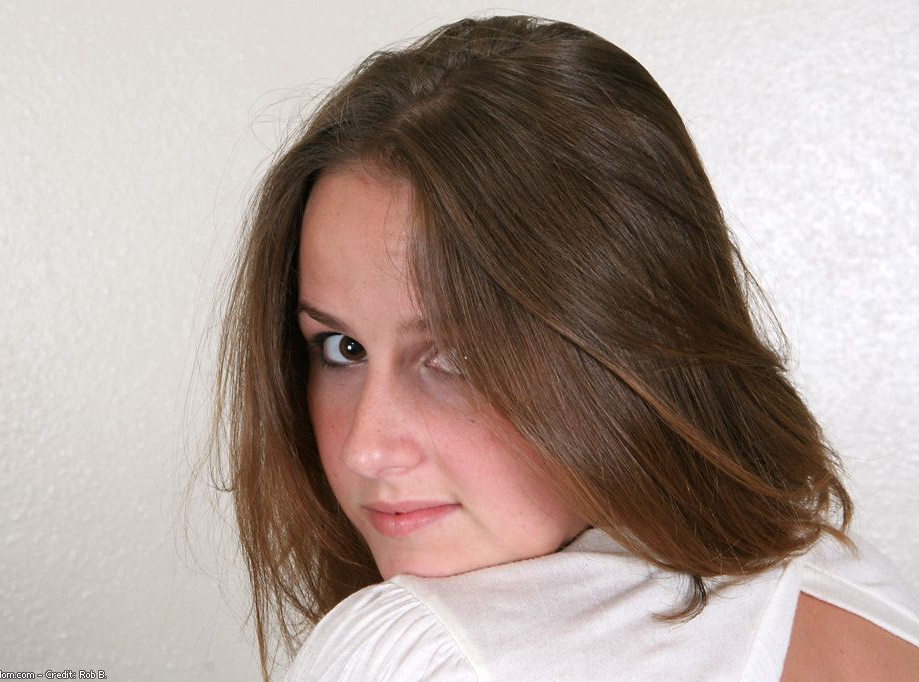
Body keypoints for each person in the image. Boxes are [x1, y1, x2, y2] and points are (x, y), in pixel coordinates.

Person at [210, 15, 919, 680]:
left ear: (623, 339)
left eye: (455, 357)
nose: (367, 449)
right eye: (341, 348)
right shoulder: (858, 591)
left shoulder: (426, 652)